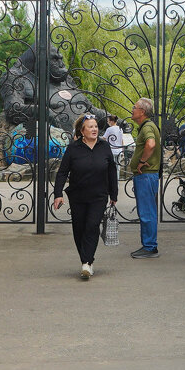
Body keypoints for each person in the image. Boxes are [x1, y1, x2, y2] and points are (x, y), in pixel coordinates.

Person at [52, 113, 118, 280]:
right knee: (79, 228)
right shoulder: (73, 148)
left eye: (95, 126)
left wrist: (114, 194)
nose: (94, 129)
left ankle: (87, 262)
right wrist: (58, 194)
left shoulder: (104, 147)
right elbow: (62, 173)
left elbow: (111, 170)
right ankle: (86, 260)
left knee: (92, 226)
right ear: (82, 131)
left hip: (99, 196)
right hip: (78, 196)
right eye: (90, 127)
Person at [127, 98, 161, 259]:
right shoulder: (147, 126)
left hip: (146, 175)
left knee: (147, 212)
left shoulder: (147, 127)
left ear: (142, 111)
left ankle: (149, 247)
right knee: (148, 211)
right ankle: (149, 245)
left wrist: (141, 161)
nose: (132, 109)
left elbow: (151, 144)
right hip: (148, 176)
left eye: (135, 107)